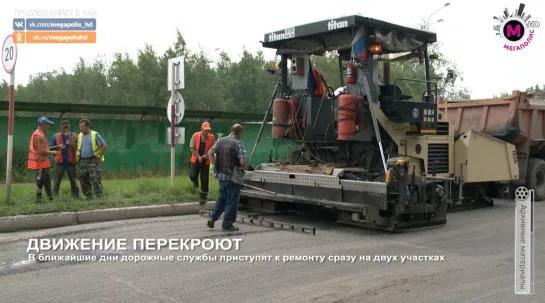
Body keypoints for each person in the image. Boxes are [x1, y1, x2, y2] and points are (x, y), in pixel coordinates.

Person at [206, 124, 246, 231]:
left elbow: (210, 153)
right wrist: (243, 168)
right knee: (232, 200)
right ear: (239, 133)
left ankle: (213, 218)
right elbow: (242, 162)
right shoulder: (238, 144)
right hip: (232, 177)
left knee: (222, 198)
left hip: (221, 175)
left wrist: (215, 165)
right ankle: (227, 224)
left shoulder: (220, 141)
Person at [28, 116, 60, 203]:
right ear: (43, 124)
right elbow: (42, 151)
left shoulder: (38, 134)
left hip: (43, 164)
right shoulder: (39, 136)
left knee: (46, 182)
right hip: (41, 164)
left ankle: (49, 198)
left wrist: (56, 147)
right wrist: (53, 153)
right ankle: (38, 200)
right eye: (47, 124)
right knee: (40, 182)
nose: (48, 126)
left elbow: (44, 148)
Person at [76, 119, 107, 199]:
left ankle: (99, 197)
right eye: (80, 127)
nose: (81, 128)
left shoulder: (94, 134)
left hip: (92, 161)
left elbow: (104, 145)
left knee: (95, 180)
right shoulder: (80, 135)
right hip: (82, 161)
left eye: (82, 127)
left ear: (87, 126)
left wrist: (99, 156)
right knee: (83, 180)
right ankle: (88, 196)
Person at [49, 120, 80, 199]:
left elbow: (75, 147)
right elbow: (49, 148)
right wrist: (58, 146)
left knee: (73, 181)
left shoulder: (74, 135)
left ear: (69, 127)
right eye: (64, 127)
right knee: (57, 181)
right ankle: (55, 197)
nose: (66, 129)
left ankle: (75, 197)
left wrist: (69, 137)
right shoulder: (56, 136)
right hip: (60, 163)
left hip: (71, 163)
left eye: (67, 127)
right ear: (61, 128)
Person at [189, 121, 215, 204]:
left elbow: (212, 150)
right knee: (193, 175)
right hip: (196, 158)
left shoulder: (212, 137)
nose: (207, 132)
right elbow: (191, 148)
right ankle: (195, 181)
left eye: (208, 130)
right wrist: (198, 156)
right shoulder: (195, 135)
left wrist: (205, 156)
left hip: (205, 160)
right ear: (201, 129)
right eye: (205, 130)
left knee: (204, 179)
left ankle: (203, 197)